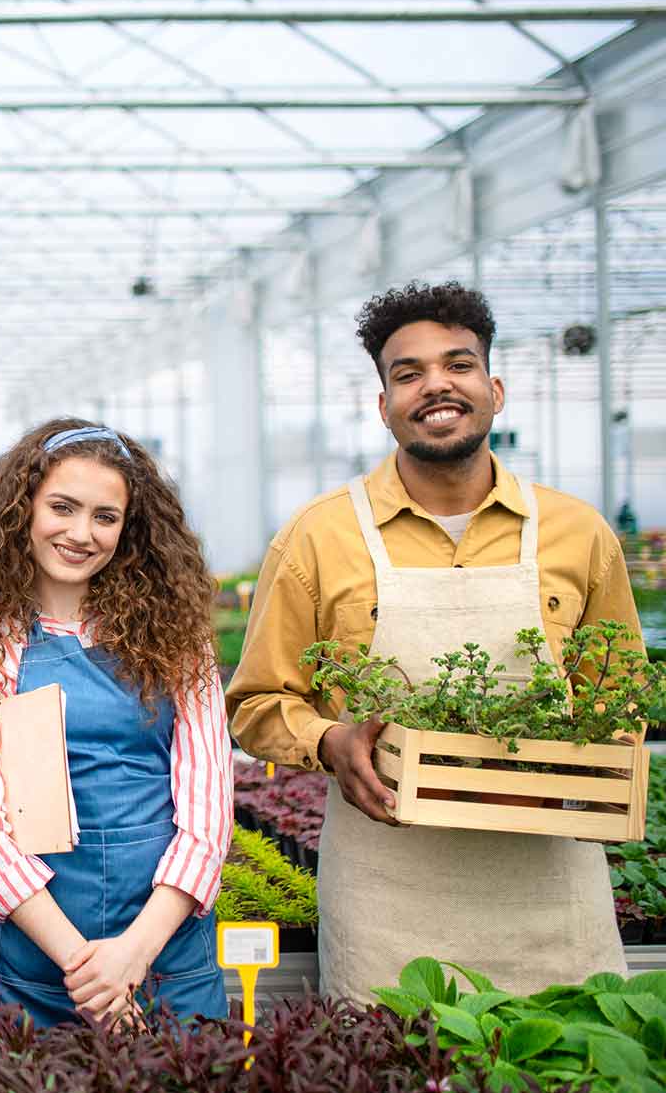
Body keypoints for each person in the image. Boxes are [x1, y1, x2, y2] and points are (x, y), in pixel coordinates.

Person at [227, 281, 643, 1002]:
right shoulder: (317, 537)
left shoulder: (578, 532)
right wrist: (329, 741)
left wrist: (604, 776)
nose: (435, 386)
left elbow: (620, 694)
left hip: (552, 892)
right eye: (407, 373)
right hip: (388, 899)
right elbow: (258, 701)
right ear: (383, 404)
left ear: (495, 388)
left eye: (458, 364)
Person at [0, 420, 232, 1027]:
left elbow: (207, 812)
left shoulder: (178, 640)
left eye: (105, 516)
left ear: (130, 529)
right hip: (31, 960)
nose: (80, 533)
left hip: (164, 947)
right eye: (62, 508)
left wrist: (134, 953)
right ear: (22, 511)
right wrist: (90, 970)